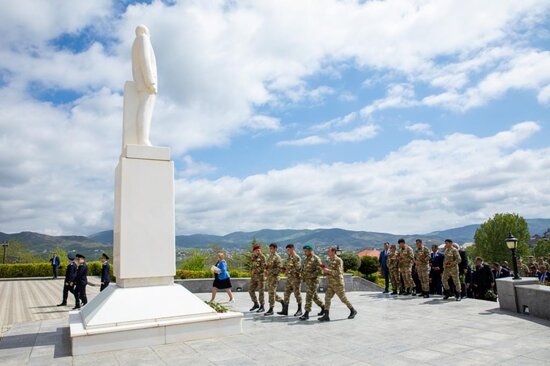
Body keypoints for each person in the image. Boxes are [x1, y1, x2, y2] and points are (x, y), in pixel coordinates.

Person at [318, 247, 357, 321]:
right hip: (331, 283)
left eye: (328, 251)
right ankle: (326, 315)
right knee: (327, 298)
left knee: (343, 299)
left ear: (333, 252)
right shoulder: (330, 260)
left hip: (338, 283)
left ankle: (353, 310)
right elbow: (330, 271)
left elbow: (339, 272)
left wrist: (328, 271)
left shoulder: (338, 260)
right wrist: (324, 270)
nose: (327, 252)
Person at [299, 244, 324, 321]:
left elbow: (320, 270)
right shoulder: (306, 259)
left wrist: (310, 275)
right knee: (314, 297)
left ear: (310, 250)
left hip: (314, 281)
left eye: (306, 251)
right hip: (308, 281)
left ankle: (306, 313)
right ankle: (324, 307)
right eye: (304, 251)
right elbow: (304, 269)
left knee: (309, 296)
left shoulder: (316, 259)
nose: (304, 252)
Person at [278, 244, 303, 316]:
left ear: (292, 249)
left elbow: (298, 269)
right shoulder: (289, 258)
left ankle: (299, 310)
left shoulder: (296, 257)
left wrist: (288, 271)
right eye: (287, 250)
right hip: (289, 279)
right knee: (286, 293)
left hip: (295, 279)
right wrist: (283, 269)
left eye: (288, 250)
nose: (287, 251)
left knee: (297, 294)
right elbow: (286, 266)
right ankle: (285, 310)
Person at [264, 243, 284, 315]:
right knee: (271, 292)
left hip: (275, 278)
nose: (270, 250)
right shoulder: (270, 256)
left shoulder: (277, 257)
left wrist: (270, 271)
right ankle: (282, 301)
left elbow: (279, 269)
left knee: (271, 293)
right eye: (270, 248)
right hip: (269, 278)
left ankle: (271, 309)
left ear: (275, 249)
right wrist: (266, 271)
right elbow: (268, 266)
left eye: (272, 248)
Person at [248, 245, 266, 312]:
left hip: (260, 277)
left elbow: (263, 267)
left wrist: (255, 270)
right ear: (254, 251)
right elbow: (252, 266)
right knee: (250, 290)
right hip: (253, 277)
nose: (258, 251)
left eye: (259, 250)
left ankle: (262, 306)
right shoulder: (253, 257)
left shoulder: (262, 257)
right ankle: (256, 304)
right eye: (256, 250)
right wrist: (250, 271)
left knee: (261, 292)